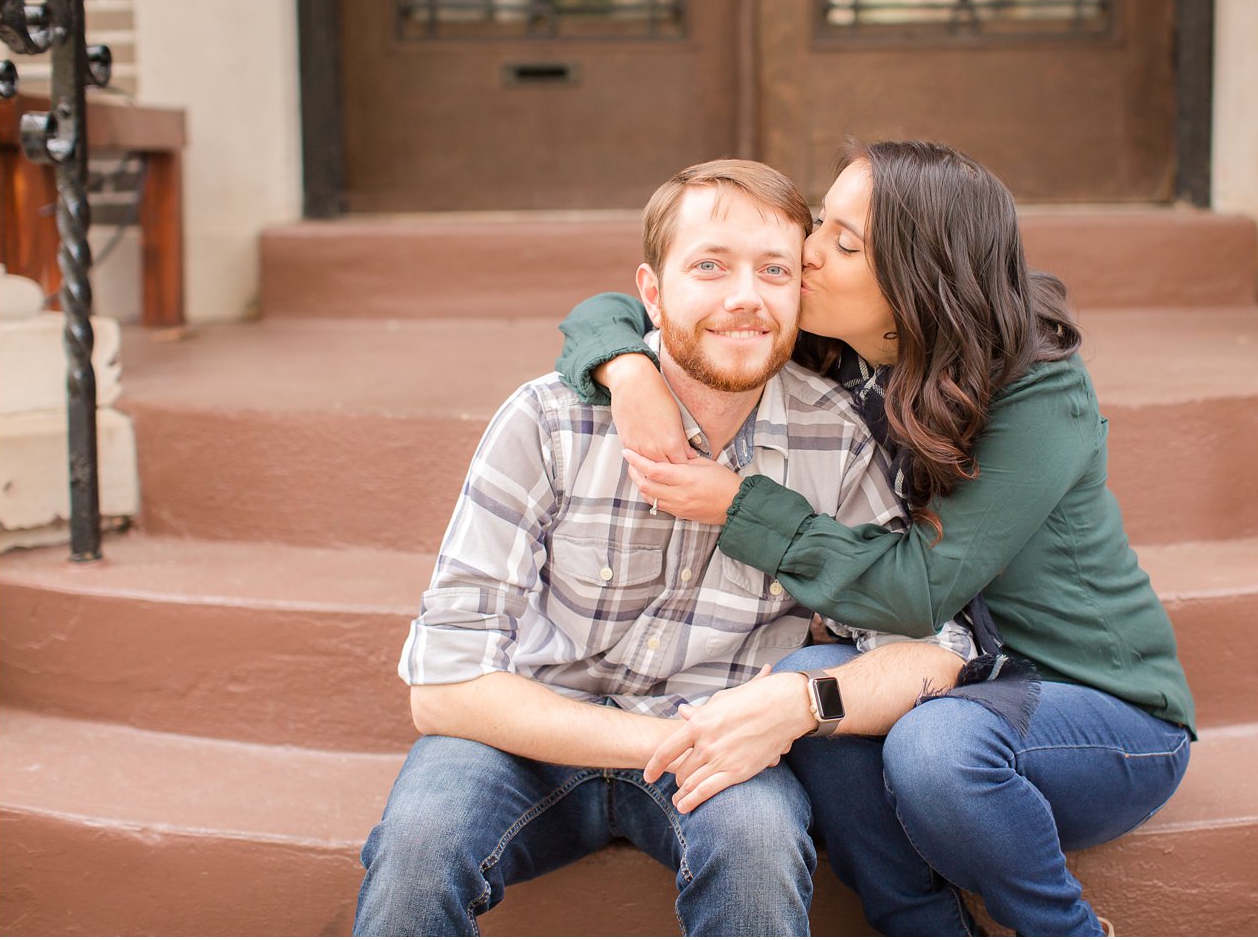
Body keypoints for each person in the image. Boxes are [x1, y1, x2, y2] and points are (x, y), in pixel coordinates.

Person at [555, 140, 1197, 937]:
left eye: (844, 244)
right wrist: (627, 370)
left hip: (1094, 708)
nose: (808, 253)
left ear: (916, 280)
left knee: (930, 742)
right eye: (822, 225)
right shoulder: (837, 341)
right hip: (939, 671)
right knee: (812, 687)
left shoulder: (1036, 389)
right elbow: (616, 307)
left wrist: (739, 505)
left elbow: (918, 589)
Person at [353, 158, 972, 937]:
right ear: (651, 290)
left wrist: (796, 705)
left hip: (722, 749)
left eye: (773, 269)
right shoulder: (549, 420)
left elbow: (932, 652)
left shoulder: (836, 440)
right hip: (533, 732)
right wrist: (673, 739)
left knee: (758, 844)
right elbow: (442, 686)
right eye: (710, 266)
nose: (744, 297)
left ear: (799, 290)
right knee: (417, 845)